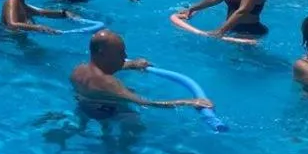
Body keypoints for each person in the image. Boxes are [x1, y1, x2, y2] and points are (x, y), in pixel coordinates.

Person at [70, 29, 213, 120]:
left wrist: (132, 64)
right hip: (105, 113)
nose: (125, 56)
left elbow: (104, 69)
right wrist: (188, 102)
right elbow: (146, 103)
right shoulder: (108, 83)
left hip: (84, 106)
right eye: (120, 53)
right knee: (134, 119)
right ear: (102, 53)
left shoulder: (79, 69)